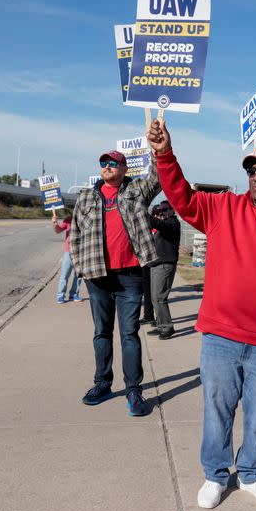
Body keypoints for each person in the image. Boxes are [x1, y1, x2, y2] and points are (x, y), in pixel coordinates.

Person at [148, 118, 256, 510]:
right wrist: (165, 154)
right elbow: (181, 198)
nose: (255, 176)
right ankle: (215, 474)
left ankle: (250, 472)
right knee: (217, 411)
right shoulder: (223, 208)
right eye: (250, 170)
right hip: (221, 336)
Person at [69, 150, 161, 417]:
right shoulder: (86, 196)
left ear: (124, 167)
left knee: (129, 334)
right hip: (97, 277)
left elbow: (158, 177)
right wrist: (80, 267)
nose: (107, 167)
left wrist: (157, 149)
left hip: (130, 276)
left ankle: (133, 390)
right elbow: (74, 234)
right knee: (101, 333)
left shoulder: (136, 190)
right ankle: (103, 384)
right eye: (103, 163)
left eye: (113, 163)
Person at [146, 200, 181, 340]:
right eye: (161, 210)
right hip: (156, 264)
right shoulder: (164, 225)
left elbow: (159, 224)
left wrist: (145, 214)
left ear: (172, 210)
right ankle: (161, 325)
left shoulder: (173, 223)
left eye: (165, 209)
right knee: (155, 298)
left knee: (160, 298)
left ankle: (167, 327)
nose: (162, 212)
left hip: (165, 264)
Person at [52, 212, 83, 303]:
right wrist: (55, 223)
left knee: (79, 275)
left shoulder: (86, 219)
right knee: (65, 274)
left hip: (81, 251)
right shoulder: (69, 219)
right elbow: (58, 230)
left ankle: (74, 295)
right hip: (69, 251)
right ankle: (60, 295)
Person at [139, 204, 161, 327]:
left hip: (157, 262)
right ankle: (148, 316)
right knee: (147, 291)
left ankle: (160, 319)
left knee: (156, 293)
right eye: (156, 212)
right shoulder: (148, 227)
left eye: (161, 212)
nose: (158, 214)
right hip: (146, 262)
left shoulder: (163, 226)